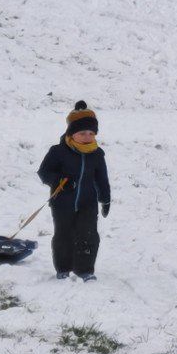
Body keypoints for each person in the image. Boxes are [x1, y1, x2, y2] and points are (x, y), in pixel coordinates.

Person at [36, 101, 111, 281]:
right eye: (82, 133)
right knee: (64, 235)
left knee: (89, 235)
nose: (87, 137)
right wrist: (58, 180)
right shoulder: (58, 152)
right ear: (71, 133)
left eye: (91, 133)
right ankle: (64, 268)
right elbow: (44, 172)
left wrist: (105, 199)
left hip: (88, 203)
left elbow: (102, 178)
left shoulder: (97, 154)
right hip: (62, 203)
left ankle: (85, 269)